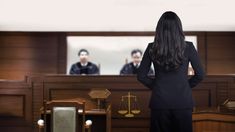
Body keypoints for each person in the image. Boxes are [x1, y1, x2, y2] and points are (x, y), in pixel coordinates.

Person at [137, 11, 204, 132]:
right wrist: (186, 85)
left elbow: (141, 76)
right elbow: (200, 74)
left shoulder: (151, 47)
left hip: (159, 102)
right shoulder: (188, 47)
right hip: (183, 102)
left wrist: (156, 86)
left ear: (159, 28)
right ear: (179, 28)